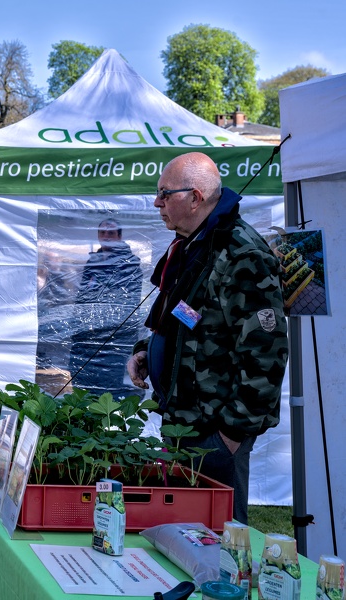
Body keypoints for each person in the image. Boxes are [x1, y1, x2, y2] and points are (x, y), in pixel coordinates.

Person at [126, 152, 288, 524]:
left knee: (220, 546)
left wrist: (231, 434)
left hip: (214, 431)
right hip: (182, 421)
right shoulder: (192, 245)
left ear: (195, 197)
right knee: (182, 537)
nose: (157, 202)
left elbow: (268, 353)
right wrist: (145, 353)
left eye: (165, 194)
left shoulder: (241, 253)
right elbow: (177, 318)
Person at [68, 219, 143, 398]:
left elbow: (125, 302)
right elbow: (83, 296)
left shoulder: (129, 263)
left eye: (111, 233)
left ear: (119, 236)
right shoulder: (92, 261)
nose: (106, 236)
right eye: (102, 232)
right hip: (86, 335)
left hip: (113, 335)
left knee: (107, 387)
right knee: (80, 380)